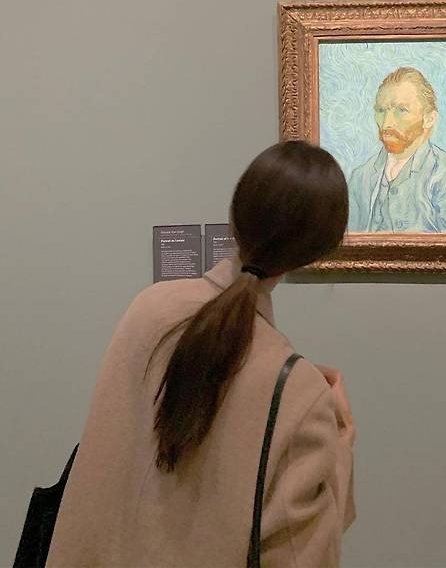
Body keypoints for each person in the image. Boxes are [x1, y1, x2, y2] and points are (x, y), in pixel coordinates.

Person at [47, 141, 356, 568]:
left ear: (234, 217)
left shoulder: (148, 309)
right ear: (316, 254)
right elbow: (304, 553)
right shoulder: (299, 393)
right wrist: (342, 436)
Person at [347, 67, 446, 233]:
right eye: (381, 110)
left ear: (429, 119)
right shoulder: (360, 178)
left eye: (401, 110)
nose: (386, 123)